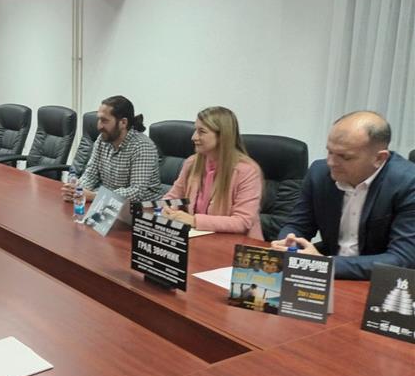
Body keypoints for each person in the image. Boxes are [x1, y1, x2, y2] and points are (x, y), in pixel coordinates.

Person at [272, 111, 415, 280]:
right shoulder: (319, 173)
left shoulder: (408, 183)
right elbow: (298, 225)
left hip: (381, 285)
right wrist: (289, 245)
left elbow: (401, 259)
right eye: (330, 152)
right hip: (330, 278)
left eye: (344, 156)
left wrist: (324, 264)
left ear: (379, 158)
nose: (331, 162)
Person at [162, 106, 263, 237]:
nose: (193, 137)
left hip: (234, 244)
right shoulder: (192, 163)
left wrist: (194, 220)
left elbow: (243, 221)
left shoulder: (247, 171)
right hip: (198, 238)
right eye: (195, 130)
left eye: (201, 131)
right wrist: (168, 207)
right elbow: (173, 197)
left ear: (222, 136)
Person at [61, 96, 160, 203]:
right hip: (109, 202)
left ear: (123, 122)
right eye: (99, 119)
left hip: (141, 208)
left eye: (104, 121)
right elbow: (90, 175)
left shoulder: (142, 146)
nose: (99, 126)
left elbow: (136, 192)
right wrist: (76, 190)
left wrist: (94, 196)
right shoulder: (102, 139)